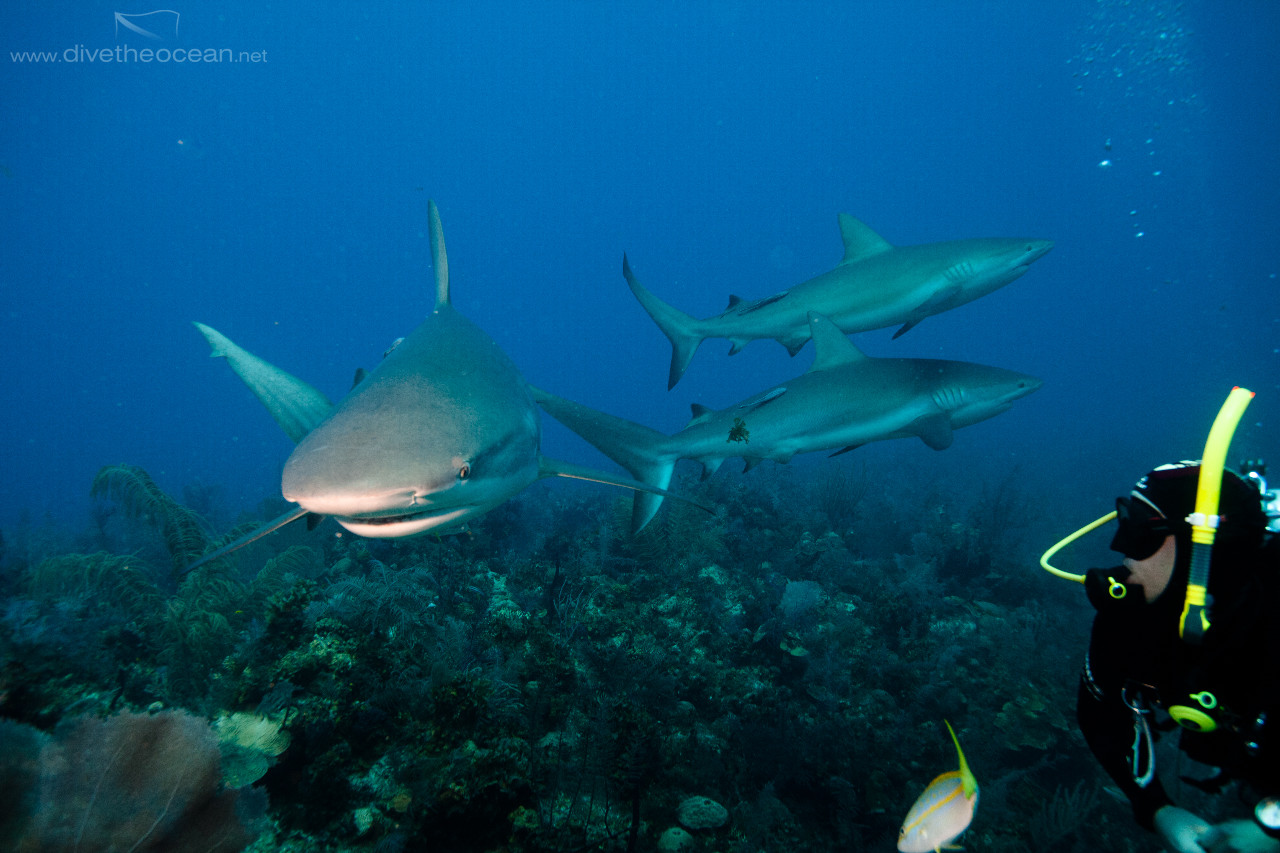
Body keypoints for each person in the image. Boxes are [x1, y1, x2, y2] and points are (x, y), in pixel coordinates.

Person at [1077, 461, 1279, 853]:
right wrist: (1158, 811)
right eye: (1124, 524)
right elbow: (1099, 717)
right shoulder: (1130, 619)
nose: (1121, 551)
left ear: (1201, 550)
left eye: (1140, 534)